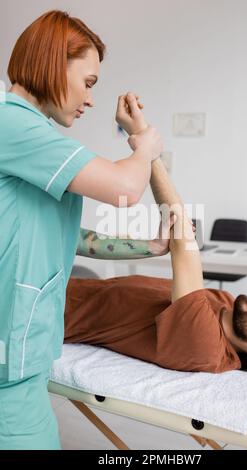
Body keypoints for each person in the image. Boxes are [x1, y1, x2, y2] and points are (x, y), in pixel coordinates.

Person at [0, 9, 165, 450]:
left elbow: (71, 236)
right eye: (88, 82)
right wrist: (144, 144)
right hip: (8, 358)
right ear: (53, 62)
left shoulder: (29, 134)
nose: (90, 99)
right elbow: (125, 189)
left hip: (23, 351)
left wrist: (149, 247)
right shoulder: (11, 124)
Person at [64, 119, 247, 382]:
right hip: (71, 288)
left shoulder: (206, 345)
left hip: (54, 311)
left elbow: (182, 236)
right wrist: (151, 247)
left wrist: (147, 148)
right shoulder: (227, 305)